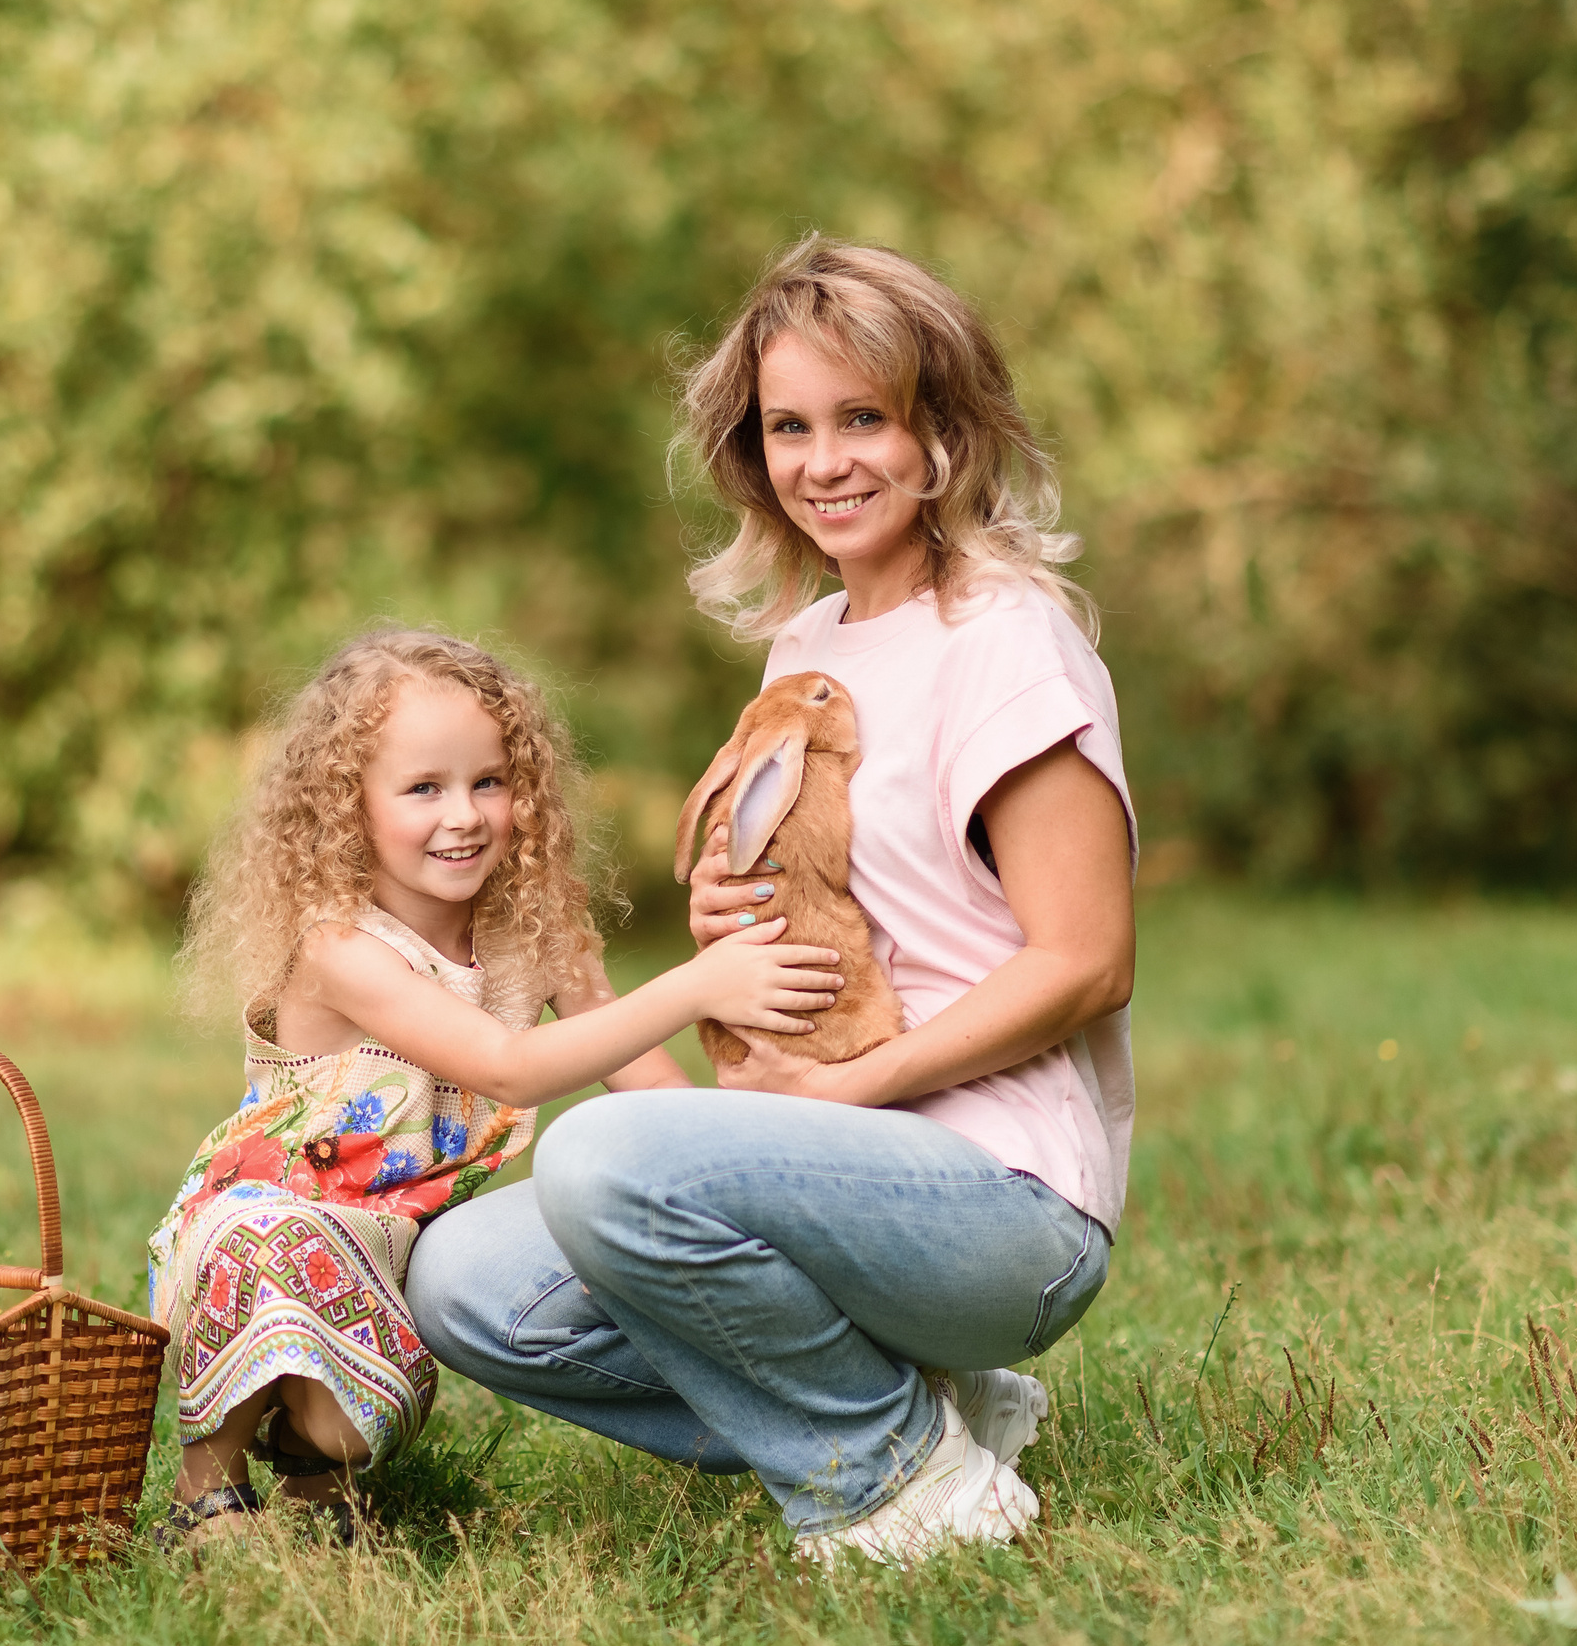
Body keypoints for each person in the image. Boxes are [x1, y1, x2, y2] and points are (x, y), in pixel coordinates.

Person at [407, 236, 1138, 1569]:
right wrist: (733, 930)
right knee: (468, 1283)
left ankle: (894, 1481)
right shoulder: (805, 646)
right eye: (789, 427)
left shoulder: (1006, 639)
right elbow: (849, 889)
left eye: (865, 417)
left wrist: (858, 1085)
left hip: (1002, 1199)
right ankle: (918, 1412)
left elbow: (1088, 961)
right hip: (834, 1160)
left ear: (944, 431)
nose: (824, 460)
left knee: (600, 1157)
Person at [150, 628, 842, 1543]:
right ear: (349, 807)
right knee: (277, 1242)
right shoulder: (339, 947)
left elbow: (643, 1080)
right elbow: (504, 1064)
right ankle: (205, 1489)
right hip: (265, 1230)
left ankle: (317, 1477)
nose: (465, 815)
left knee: (346, 1425)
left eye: (489, 781)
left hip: (393, 1241)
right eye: (423, 788)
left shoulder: (532, 927)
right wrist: (696, 986)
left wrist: (740, 1165)